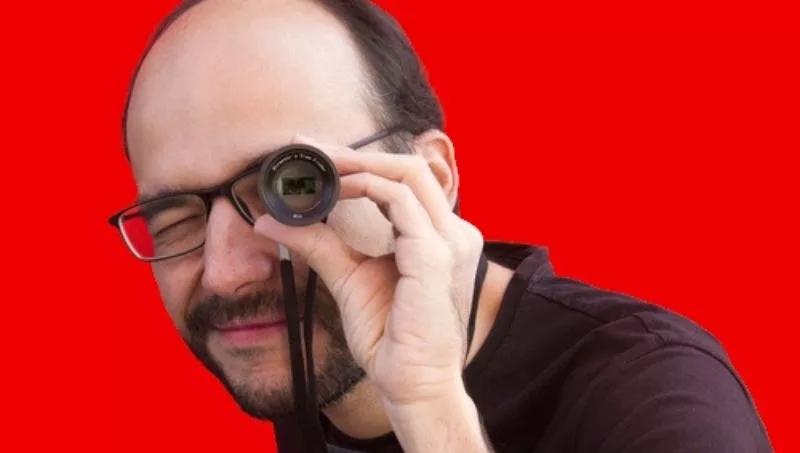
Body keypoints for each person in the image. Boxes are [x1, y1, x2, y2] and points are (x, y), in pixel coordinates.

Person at [107, 0, 773, 452]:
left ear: (432, 177)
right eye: (175, 219)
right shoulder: (310, 347)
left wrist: (430, 408)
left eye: (293, 188)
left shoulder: (658, 396)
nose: (225, 273)